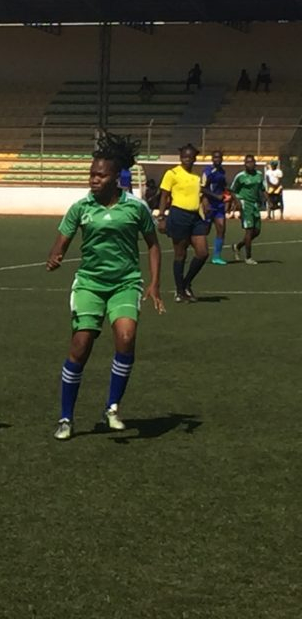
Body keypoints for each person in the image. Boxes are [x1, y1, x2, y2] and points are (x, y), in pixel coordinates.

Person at [46, 133, 164, 441]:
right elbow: (62, 239)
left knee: (126, 337)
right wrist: (55, 255)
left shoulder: (135, 208)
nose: (94, 179)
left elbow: (153, 245)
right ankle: (66, 417)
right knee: (81, 346)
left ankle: (112, 407)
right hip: (90, 284)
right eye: (91, 174)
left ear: (115, 178)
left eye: (100, 175)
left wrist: (154, 284)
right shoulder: (80, 207)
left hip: (125, 283)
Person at [158, 144, 210, 302]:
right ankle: (180, 290)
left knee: (203, 252)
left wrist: (205, 206)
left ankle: (185, 284)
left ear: (194, 158)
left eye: (190, 157)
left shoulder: (196, 177)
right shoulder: (172, 173)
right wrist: (161, 216)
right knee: (180, 253)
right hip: (179, 215)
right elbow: (164, 196)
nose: (187, 160)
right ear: (180, 157)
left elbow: (200, 195)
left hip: (195, 216)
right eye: (184, 157)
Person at [230, 155, 266, 265]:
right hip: (245, 204)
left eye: (252, 162)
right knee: (249, 231)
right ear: (244, 164)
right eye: (247, 162)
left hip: (255, 205)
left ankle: (238, 246)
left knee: (257, 231)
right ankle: (248, 257)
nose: (250, 164)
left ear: (255, 163)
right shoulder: (240, 176)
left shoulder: (259, 175)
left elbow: (262, 189)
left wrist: (267, 200)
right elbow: (232, 190)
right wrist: (237, 202)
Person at [201, 150, 228, 265]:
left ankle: (216, 257)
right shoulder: (207, 171)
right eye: (215, 157)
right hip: (209, 204)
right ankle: (194, 248)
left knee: (221, 228)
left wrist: (227, 197)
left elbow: (223, 187)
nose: (217, 159)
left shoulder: (222, 171)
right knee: (204, 231)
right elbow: (202, 188)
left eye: (219, 157)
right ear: (212, 159)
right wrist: (211, 198)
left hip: (219, 205)